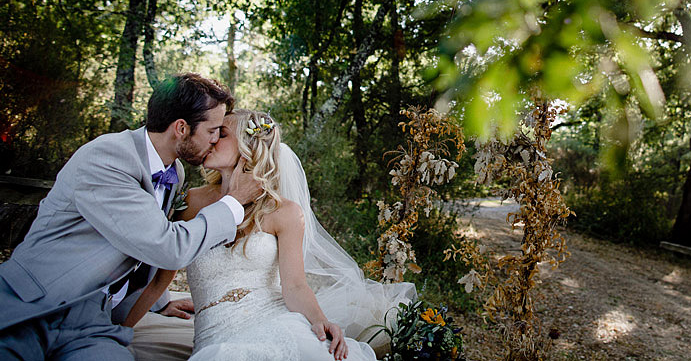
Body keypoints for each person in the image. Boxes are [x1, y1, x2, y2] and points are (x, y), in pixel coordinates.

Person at [0, 73, 263, 360]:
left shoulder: (175, 173)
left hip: (92, 323)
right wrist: (233, 203)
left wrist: (158, 301)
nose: (215, 140)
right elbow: (166, 246)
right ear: (181, 128)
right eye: (213, 130)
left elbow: (140, 240)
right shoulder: (107, 157)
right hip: (32, 306)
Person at [128, 109, 415, 360]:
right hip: (215, 336)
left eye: (221, 134)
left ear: (247, 146)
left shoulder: (284, 212)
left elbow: (295, 287)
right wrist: (116, 331)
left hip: (274, 321)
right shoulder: (189, 202)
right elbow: (157, 280)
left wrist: (321, 321)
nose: (211, 139)